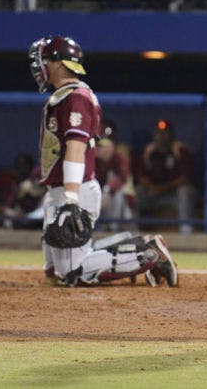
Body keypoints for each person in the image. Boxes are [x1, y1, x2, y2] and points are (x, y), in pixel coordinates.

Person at [28, 35, 179, 287]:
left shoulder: (76, 97)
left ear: (59, 63)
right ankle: (136, 245)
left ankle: (149, 255)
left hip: (73, 190)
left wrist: (70, 198)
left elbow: (76, 148)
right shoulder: (65, 96)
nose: (39, 66)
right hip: (60, 190)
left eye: (44, 59)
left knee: (71, 273)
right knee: (54, 270)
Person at [136, 118, 196, 234]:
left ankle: (185, 227)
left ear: (171, 135)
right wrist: (152, 187)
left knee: (185, 191)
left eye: (165, 133)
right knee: (138, 192)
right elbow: (141, 177)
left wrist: (161, 189)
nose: (161, 136)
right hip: (154, 196)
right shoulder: (149, 152)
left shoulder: (180, 150)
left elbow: (185, 179)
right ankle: (136, 228)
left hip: (174, 195)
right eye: (158, 133)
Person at [95, 119, 137, 232]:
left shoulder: (120, 158)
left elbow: (122, 177)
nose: (98, 149)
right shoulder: (92, 160)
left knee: (117, 190)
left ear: (112, 146)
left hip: (124, 213)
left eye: (102, 145)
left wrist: (108, 190)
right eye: (97, 145)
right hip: (99, 206)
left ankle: (113, 228)